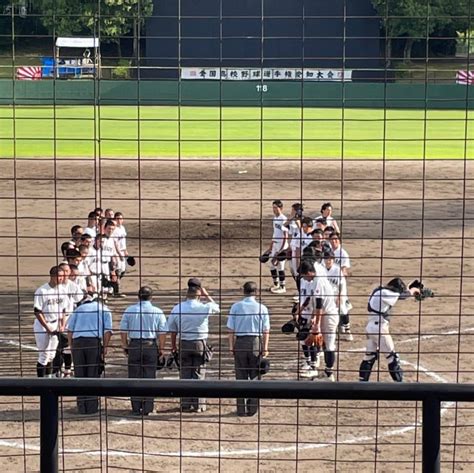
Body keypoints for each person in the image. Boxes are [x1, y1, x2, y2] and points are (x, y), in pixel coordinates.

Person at [166, 279, 219, 412]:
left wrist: (173, 347)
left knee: (184, 374)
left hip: (183, 342)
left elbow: (172, 330)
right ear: (199, 295)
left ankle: (185, 404)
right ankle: (199, 405)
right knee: (199, 373)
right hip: (199, 343)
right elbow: (217, 308)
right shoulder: (204, 307)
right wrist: (206, 295)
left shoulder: (178, 308)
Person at [359, 278, 420, 383]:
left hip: (371, 328)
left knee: (369, 356)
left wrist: (409, 287)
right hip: (379, 329)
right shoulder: (386, 293)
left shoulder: (380, 290)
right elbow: (402, 296)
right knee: (392, 357)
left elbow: (400, 295)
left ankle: (362, 383)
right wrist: (413, 290)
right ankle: (400, 385)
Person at [120, 286, 167, 416]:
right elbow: (162, 333)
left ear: (138, 296)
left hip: (134, 345)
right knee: (149, 376)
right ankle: (148, 407)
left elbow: (123, 331)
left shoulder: (129, 310)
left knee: (134, 377)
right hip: (150, 345)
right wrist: (161, 349)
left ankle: (136, 407)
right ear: (151, 297)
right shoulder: (157, 311)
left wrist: (125, 346)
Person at [227, 281, 270, 417]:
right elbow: (266, 330)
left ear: (243, 291)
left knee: (240, 376)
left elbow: (230, 329)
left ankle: (241, 409)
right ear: (256, 292)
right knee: (255, 375)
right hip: (255, 342)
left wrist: (231, 346)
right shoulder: (262, 308)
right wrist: (265, 347)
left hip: (240, 342)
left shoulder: (236, 307)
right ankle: (252, 409)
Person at [67, 294, 113, 414]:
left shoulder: (79, 309)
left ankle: (82, 407)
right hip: (93, 342)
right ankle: (92, 407)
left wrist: (72, 346)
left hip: (78, 342)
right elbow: (107, 331)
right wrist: (105, 347)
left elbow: (70, 330)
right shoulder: (104, 309)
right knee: (93, 374)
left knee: (80, 374)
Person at [299, 261, 340, 382]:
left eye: (304, 275)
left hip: (329, 316)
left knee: (329, 344)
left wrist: (316, 325)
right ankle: (327, 372)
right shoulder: (316, 279)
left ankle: (329, 374)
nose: (305, 279)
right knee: (323, 343)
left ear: (309, 272)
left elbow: (319, 305)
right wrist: (313, 317)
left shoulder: (318, 282)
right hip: (325, 314)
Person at [33, 266, 67, 377]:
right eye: (59, 276)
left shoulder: (62, 290)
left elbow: (63, 309)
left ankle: (49, 379)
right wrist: (47, 328)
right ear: (52, 276)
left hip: (55, 323)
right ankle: (41, 382)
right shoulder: (42, 291)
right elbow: (37, 311)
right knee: (44, 355)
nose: (62, 279)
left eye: (63, 276)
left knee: (52, 355)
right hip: (43, 325)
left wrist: (62, 325)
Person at [323, 250, 353, 341]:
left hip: (337, 294)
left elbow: (342, 285)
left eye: (331, 259)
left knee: (343, 310)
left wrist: (340, 296)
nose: (329, 261)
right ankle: (334, 330)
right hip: (326, 296)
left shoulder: (337, 270)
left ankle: (347, 330)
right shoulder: (321, 269)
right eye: (327, 259)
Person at [266, 200, 289, 294]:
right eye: (273, 207)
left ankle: (282, 287)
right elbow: (275, 233)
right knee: (272, 265)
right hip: (275, 244)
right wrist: (271, 246)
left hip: (282, 245)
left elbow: (286, 236)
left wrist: (281, 249)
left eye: (276, 207)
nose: (274, 209)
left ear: (281, 208)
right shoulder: (275, 218)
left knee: (280, 266)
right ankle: (276, 284)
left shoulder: (284, 219)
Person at [285, 203, 303, 291]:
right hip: (293, 248)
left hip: (300, 250)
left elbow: (303, 234)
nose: (291, 212)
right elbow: (284, 226)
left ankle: (301, 292)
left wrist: (299, 224)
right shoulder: (292, 221)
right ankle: (299, 291)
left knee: (299, 272)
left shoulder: (304, 221)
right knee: (293, 271)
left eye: (293, 210)